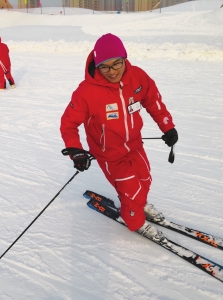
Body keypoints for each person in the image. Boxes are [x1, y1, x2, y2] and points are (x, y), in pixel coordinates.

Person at [60, 33, 178, 242]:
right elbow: (68, 123)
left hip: (134, 145)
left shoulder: (138, 77)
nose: (112, 71)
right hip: (109, 153)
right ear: (97, 65)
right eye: (105, 66)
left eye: (117, 63)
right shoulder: (86, 92)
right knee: (130, 188)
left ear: (125, 58)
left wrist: (167, 127)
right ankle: (134, 220)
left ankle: (138, 204)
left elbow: (153, 101)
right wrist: (76, 150)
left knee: (145, 179)